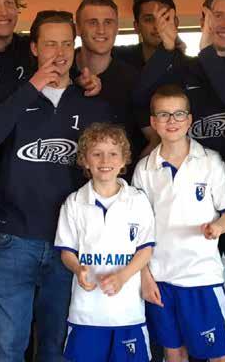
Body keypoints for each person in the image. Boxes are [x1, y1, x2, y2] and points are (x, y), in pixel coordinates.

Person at [134, 0, 225, 362]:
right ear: (204, 17)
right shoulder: (186, 68)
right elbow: (142, 98)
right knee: (185, 306)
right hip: (186, 213)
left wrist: (202, 51)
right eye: (217, 16)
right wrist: (168, 50)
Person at [0, 10, 112, 362]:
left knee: (56, 348)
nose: (60, 52)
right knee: (6, 349)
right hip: (12, 241)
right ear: (34, 47)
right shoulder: (14, 94)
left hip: (69, 245)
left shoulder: (90, 102)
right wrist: (32, 86)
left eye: (67, 43)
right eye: (50, 43)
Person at [133, 84, 225, 362]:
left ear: (190, 119)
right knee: (173, 352)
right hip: (161, 277)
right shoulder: (144, 170)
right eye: (164, 115)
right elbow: (136, 231)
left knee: (219, 355)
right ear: (153, 122)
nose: (172, 121)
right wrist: (144, 275)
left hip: (201, 277)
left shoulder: (210, 161)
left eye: (179, 114)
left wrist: (217, 227)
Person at [55, 122, 155, 362]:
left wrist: (122, 276)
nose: (104, 160)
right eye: (96, 154)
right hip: (86, 313)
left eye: (113, 154)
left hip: (127, 313)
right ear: (85, 160)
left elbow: (145, 250)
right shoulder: (74, 202)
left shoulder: (138, 201)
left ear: (123, 161)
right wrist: (78, 268)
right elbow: (67, 251)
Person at [74, 0, 151, 165]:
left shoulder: (133, 80)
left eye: (108, 22)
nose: (101, 30)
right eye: (92, 22)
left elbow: (156, 139)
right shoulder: (63, 69)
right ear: (78, 28)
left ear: (117, 27)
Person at [113, 0, 181, 70]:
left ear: (176, 23)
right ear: (136, 26)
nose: (157, 26)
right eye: (149, 19)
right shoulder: (118, 57)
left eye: (164, 18)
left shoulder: (189, 67)